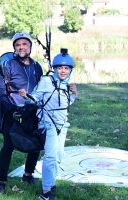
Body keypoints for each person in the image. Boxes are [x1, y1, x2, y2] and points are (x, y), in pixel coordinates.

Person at [19, 50, 78, 200]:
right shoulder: (46, 81)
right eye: (60, 68)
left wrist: (74, 94)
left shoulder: (67, 84)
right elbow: (36, 98)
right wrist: (27, 96)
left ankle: (50, 183)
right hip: (49, 123)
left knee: (58, 155)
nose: (63, 71)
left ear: (70, 70)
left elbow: (65, 103)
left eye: (66, 68)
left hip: (62, 124)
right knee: (50, 156)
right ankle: (45, 192)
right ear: (55, 69)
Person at [0, 32, 43, 193]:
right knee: (8, 145)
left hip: (31, 109)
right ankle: (1, 181)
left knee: (36, 143)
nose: (21, 47)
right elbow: (1, 91)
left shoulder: (37, 66)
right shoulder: (8, 65)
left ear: (30, 46)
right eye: (18, 45)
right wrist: (13, 108)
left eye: (24, 44)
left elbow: (41, 89)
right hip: (12, 110)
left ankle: (28, 174)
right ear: (14, 48)